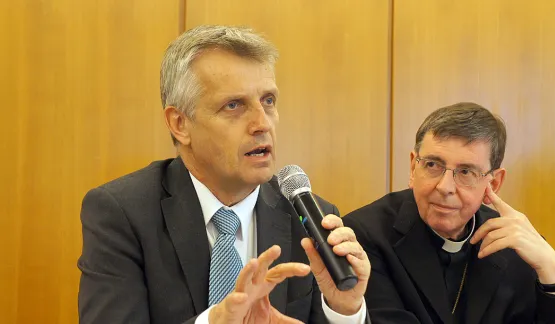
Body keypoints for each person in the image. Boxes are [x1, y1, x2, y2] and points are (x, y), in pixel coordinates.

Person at [78, 25, 371, 324]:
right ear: (180, 123)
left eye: (268, 101)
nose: (262, 124)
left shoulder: (311, 219)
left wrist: (344, 311)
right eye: (234, 105)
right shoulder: (122, 213)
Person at [343, 102, 555, 323]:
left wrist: (553, 275)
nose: (444, 187)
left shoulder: (515, 249)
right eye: (433, 165)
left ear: (493, 184)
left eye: (466, 171)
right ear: (414, 168)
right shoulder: (365, 235)